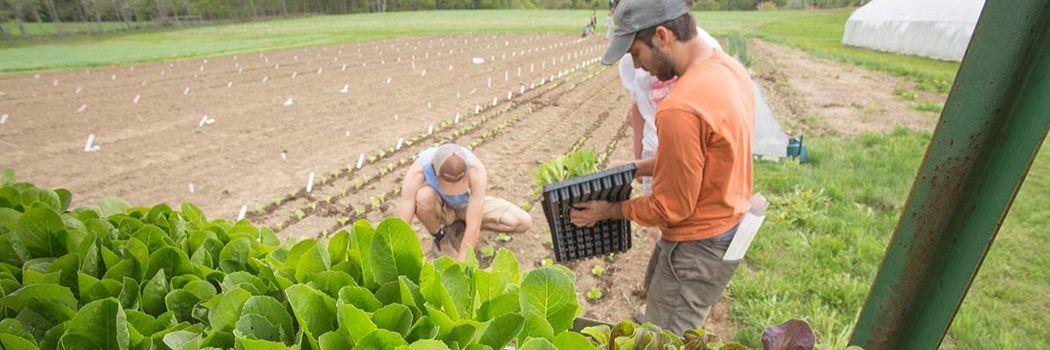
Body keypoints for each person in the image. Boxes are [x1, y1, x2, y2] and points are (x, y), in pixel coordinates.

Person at [570, 0, 756, 335]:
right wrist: (636, 167)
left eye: (636, 54)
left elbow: (671, 207)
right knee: (660, 314)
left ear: (661, 35)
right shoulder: (729, 69)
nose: (638, 68)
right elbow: (706, 157)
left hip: (696, 247)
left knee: (664, 340)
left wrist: (608, 210)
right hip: (727, 225)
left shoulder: (680, 107)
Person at [399, 143, 532, 261]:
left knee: (523, 222)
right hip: (442, 209)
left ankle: (459, 228)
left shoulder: (476, 169)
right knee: (423, 196)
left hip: (466, 206)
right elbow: (406, 207)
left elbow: (475, 223)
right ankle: (440, 237)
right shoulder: (420, 168)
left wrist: (461, 265)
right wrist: (397, 247)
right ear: (435, 169)